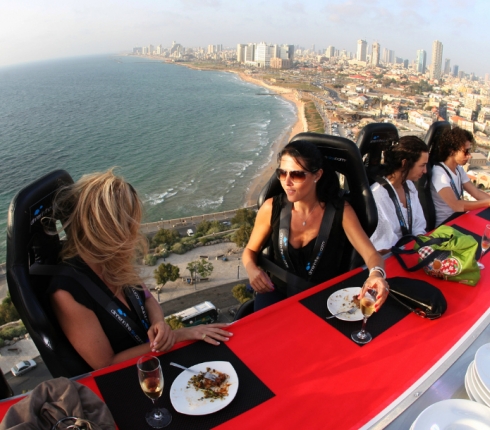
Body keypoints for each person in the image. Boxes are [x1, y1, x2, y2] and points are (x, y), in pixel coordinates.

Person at [47, 169, 233, 371]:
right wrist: (180, 335)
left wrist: (159, 323)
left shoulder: (112, 261)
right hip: (128, 377)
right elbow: (105, 364)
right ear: (103, 227)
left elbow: (147, 298)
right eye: (126, 222)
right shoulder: (67, 292)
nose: (133, 228)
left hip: (154, 361)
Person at [242, 140, 390, 312]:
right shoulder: (271, 208)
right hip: (275, 294)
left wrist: (376, 274)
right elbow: (249, 251)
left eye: (297, 175)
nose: (287, 182)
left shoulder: (340, 212)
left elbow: (372, 255)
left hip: (323, 299)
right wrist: (252, 269)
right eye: (282, 173)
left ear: (317, 175)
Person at [369, 136, 429, 254]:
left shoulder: (410, 186)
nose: (425, 171)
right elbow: (382, 247)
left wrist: (423, 247)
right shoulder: (378, 196)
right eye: (422, 165)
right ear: (405, 164)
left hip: (410, 251)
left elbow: (418, 225)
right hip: (391, 258)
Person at [431, 127, 490, 227]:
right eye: (465, 151)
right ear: (452, 150)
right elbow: (456, 205)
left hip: (458, 219)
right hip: (446, 226)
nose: (469, 156)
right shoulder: (439, 173)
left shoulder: (458, 169)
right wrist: (487, 203)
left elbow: (476, 192)